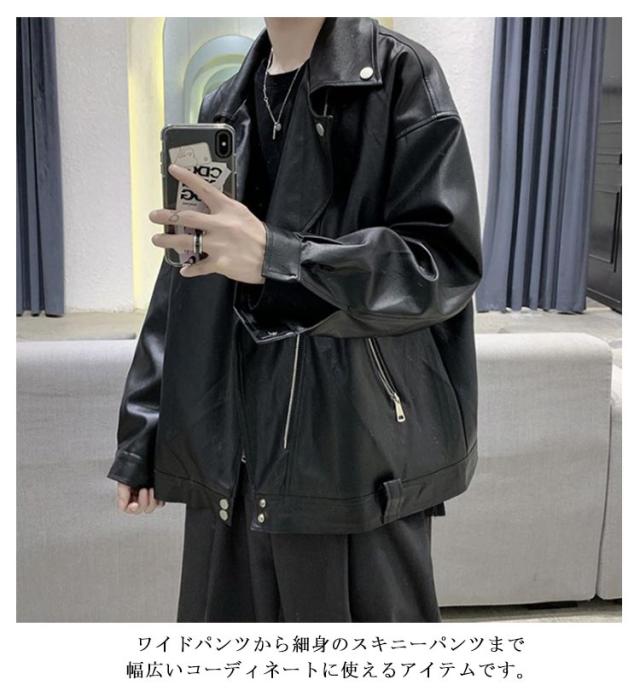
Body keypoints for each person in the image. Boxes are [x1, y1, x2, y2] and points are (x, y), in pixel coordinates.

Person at [107, 17, 483, 623]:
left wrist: (280, 258)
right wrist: (144, 429)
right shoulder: (224, 102)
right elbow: (182, 276)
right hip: (229, 456)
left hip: (349, 455)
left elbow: (441, 264)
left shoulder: (397, 75)